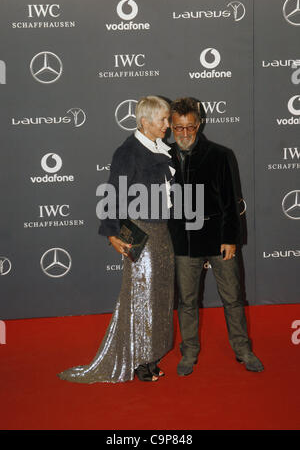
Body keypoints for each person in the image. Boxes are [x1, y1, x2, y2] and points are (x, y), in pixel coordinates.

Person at [58, 96, 175, 383]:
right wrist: (111, 232)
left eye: (168, 119)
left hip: (162, 232)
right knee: (141, 297)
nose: (167, 125)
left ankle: (151, 355)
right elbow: (114, 192)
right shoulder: (128, 152)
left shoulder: (163, 149)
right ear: (145, 122)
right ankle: (138, 359)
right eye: (162, 120)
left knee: (160, 296)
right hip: (140, 230)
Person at [168, 97, 264, 376]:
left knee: (233, 297)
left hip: (218, 239)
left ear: (199, 124)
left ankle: (243, 349)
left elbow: (231, 202)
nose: (185, 134)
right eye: (178, 128)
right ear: (171, 127)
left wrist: (231, 239)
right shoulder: (163, 157)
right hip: (183, 242)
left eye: (190, 127)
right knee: (186, 301)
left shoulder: (221, 155)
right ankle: (189, 352)